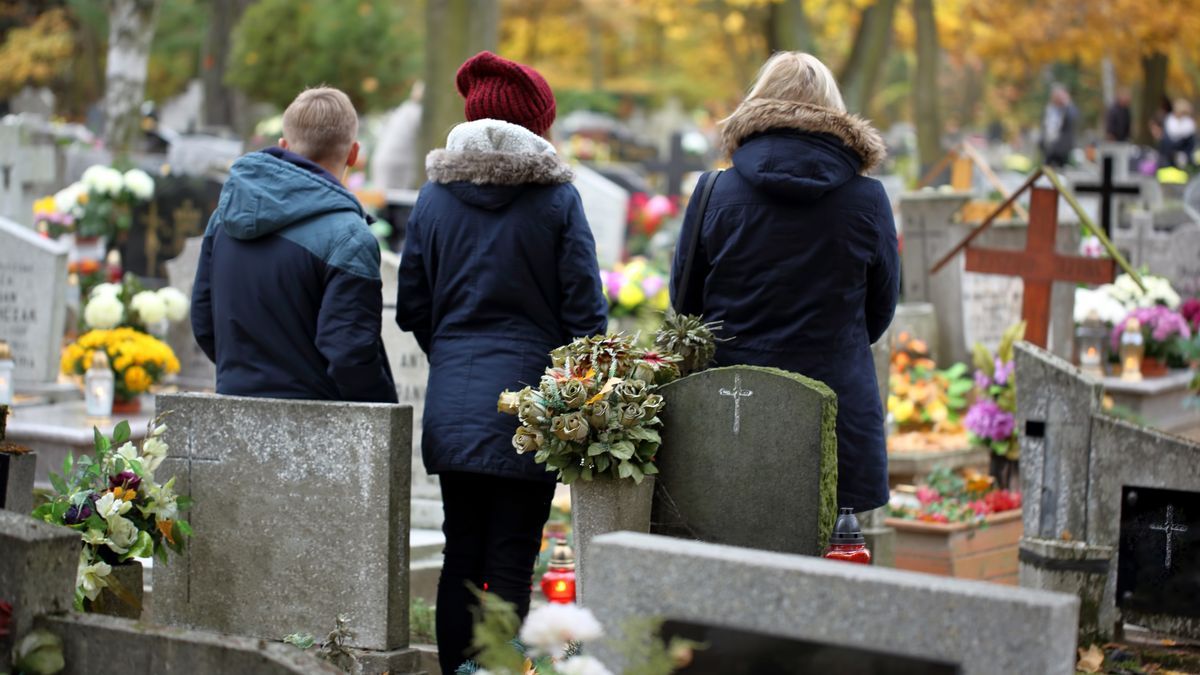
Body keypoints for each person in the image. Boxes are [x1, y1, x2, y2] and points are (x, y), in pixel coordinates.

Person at [395, 51, 607, 674]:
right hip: (530, 409)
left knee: (461, 554)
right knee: (512, 556)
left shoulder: (434, 200)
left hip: (453, 405)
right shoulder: (556, 202)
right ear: (536, 127)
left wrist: (454, 353)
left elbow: (412, 305)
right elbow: (585, 315)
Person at [671, 51, 898, 514]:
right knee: (830, 562)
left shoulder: (713, 192)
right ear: (834, 110)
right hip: (836, 407)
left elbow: (685, 301)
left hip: (735, 400)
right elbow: (881, 309)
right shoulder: (869, 199)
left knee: (732, 549)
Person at [192, 86, 396, 403]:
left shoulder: (224, 217)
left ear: (284, 146)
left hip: (232, 410)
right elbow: (349, 354)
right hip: (319, 424)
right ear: (354, 155)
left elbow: (204, 324)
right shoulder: (349, 236)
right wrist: (387, 411)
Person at [1040, 84, 1078, 167]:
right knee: (1047, 170)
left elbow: (1073, 117)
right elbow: (1045, 127)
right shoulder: (1050, 109)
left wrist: (1067, 103)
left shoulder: (1068, 109)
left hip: (1063, 149)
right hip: (1049, 147)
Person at [1161, 98, 1196, 168]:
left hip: (1184, 152)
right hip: (1170, 151)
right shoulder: (1169, 120)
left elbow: (1189, 141)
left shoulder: (1189, 123)